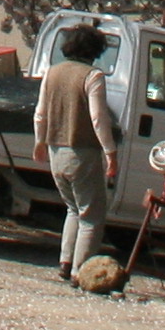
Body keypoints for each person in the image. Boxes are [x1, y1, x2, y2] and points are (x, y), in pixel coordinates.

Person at [35, 22, 122, 282]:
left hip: (55, 151)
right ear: (95, 49)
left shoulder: (52, 73)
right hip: (82, 152)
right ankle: (80, 272)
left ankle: (65, 261)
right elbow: (99, 118)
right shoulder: (92, 76)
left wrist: (40, 142)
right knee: (91, 215)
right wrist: (111, 152)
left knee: (73, 209)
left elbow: (40, 114)